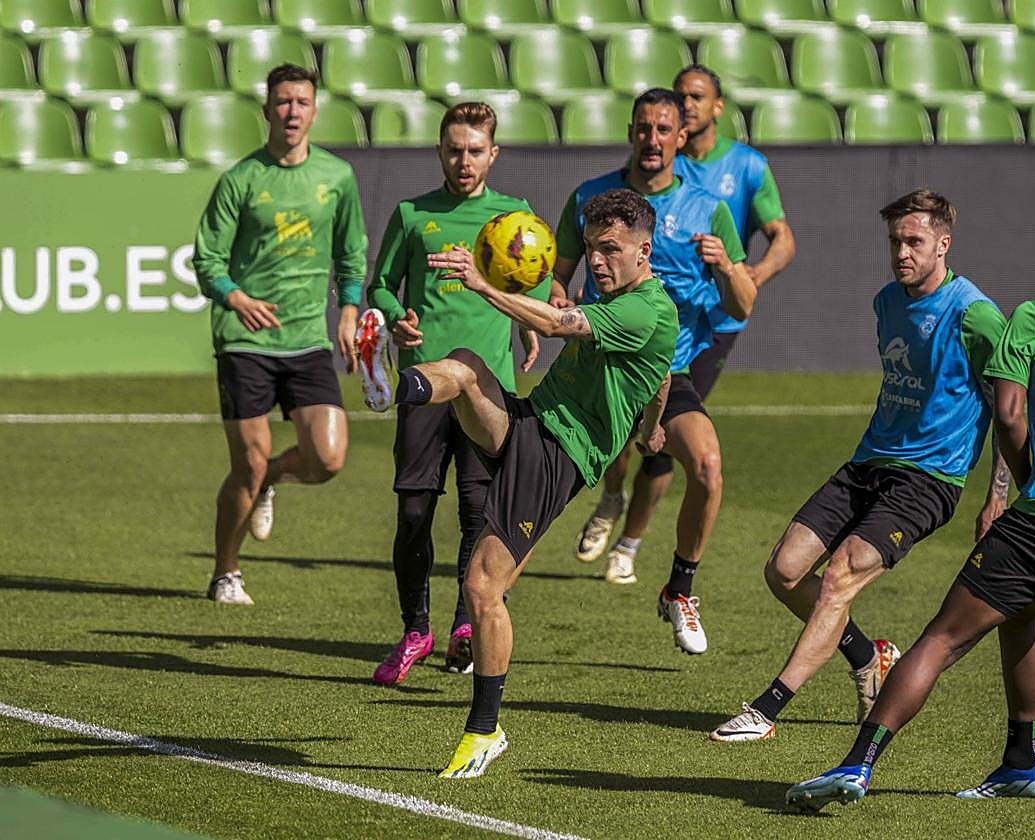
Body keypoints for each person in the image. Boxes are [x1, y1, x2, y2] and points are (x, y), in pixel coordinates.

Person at [786, 237, 1035, 812]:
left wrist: (1022, 486)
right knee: (1018, 616)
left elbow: (1010, 412)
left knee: (942, 637)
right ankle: (1023, 763)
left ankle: (856, 766)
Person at [395, 188, 677, 778]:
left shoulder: (645, 309)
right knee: (469, 365)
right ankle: (388, 386)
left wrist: (481, 285)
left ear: (643, 250)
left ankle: (484, 730)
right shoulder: (627, 304)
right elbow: (661, 381)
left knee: (482, 587)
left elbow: (554, 323)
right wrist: (651, 432)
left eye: (610, 250)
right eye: (591, 249)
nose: (595, 262)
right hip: (531, 425)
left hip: (559, 453)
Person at [710, 189, 1010, 741]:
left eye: (914, 241)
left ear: (943, 244)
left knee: (840, 578)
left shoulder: (977, 316)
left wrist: (997, 495)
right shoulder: (886, 303)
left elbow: (1011, 408)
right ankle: (869, 656)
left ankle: (768, 708)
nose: (902, 252)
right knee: (783, 571)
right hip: (868, 462)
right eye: (896, 241)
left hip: (929, 479)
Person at [572, 64, 797, 584]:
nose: (685, 108)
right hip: (621, 333)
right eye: (679, 99)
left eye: (695, 99)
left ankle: (630, 544)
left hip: (702, 327)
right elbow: (568, 267)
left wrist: (739, 272)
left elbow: (781, 240)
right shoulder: (615, 196)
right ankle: (610, 497)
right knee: (624, 436)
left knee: (664, 443)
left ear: (714, 108)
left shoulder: (739, 172)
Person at [551, 88, 757, 654]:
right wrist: (555, 308)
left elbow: (742, 305)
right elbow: (559, 277)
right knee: (595, 466)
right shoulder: (590, 197)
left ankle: (680, 589)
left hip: (673, 367)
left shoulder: (708, 206)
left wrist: (724, 266)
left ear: (681, 137)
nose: (653, 139)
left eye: (664, 130)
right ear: (630, 131)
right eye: (643, 128)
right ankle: (610, 500)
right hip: (604, 363)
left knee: (707, 467)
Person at [355, 102, 544, 685]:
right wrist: (396, 318)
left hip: (489, 391)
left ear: (494, 153)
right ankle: (416, 629)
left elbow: (533, 278)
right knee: (413, 512)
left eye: (475, 150)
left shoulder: (513, 216)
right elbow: (381, 285)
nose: (464, 161)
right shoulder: (414, 214)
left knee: (478, 512)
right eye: (454, 149)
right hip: (425, 384)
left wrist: (532, 320)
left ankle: (466, 626)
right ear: (440, 151)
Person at [193, 63, 366, 605]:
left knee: (328, 460)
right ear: (267, 110)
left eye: (302, 102)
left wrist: (349, 308)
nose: (292, 111)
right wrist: (236, 298)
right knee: (246, 460)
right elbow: (206, 259)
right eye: (283, 102)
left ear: (315, 111)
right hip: (244, 342)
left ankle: (270, 481)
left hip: (307, 340)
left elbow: (351, 252)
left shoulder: (337, 177)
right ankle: (226, 571)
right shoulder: (241, 180)